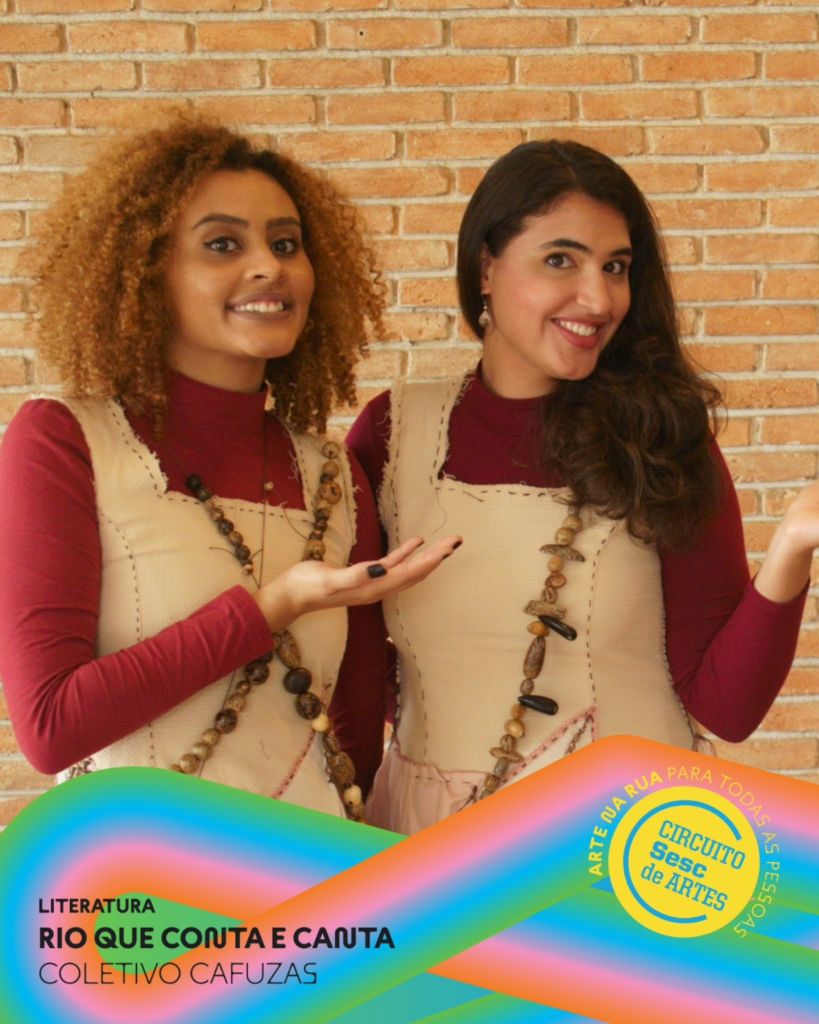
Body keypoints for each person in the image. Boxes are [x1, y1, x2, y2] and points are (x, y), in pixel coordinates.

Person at [349, 140, 818, 835]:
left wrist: (793, 547)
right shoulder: (392, 432)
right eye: (560, 260)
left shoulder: (663, 437)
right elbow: (355, 678)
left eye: (615, 267)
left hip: (619, 845)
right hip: (429, 839)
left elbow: (726, 707)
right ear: (485, 266)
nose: (598, 299)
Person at [0, 117, 460, 821]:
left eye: (286, 244)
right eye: (222, 244)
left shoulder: (334, 477)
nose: (269, 266)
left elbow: (356, 729)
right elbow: (51, 726)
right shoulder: (66, 441)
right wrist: (273, 608)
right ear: (145, 273)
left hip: (308, 873)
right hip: (138, 870)